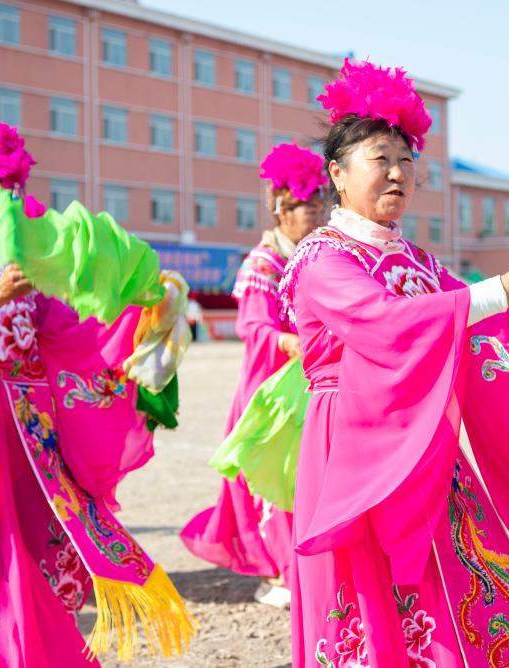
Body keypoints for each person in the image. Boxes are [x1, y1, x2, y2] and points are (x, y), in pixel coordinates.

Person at [281, 59, 509, 667]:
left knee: (461, 574)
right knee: (368, 591)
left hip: (424, 441)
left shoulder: (417, 259)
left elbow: (481, 324)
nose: (397, 172)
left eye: (406, 160)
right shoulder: (323, 259)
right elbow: (387, 323)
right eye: (380, 158)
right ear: (338, 174)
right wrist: (502, 290)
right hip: (352, 444)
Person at [0, 119, 193, 666]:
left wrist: (139, 307)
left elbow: (74, 331)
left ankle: (32, 644)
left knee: (43, 540)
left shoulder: (24, 266)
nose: (12, 209)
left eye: (17, 196)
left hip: (34, 431)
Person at [181, 143, 326, 608]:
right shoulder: (263, 264)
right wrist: (287, 342)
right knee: (274, 482)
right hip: (272, 392)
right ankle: (279, 573)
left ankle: (306, 566)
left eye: (318, 201)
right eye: (304, 204)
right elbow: (253, 326)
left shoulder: (316, 256)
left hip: (310, 386)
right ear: (281, 209)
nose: (314, 210)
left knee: (309, 477)